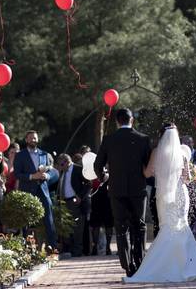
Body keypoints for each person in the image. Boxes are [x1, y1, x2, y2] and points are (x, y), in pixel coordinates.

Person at [124, 122, 196, 283]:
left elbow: (147, 174)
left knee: (167, 227)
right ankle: (184, 265)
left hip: (164, 196)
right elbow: (188, 179)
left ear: (161, 135)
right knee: (181, 227)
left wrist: (140, 165)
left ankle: (166, 265)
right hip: (181, 194)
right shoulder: (181, 154)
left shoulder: (156, 152)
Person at [94, 108, 152, 278]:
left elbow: (98, 165)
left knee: (121, 226)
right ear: (131, 120)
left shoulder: (109, 140)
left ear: (117, 122)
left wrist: (104, 177)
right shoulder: (143, 139)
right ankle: (139, 261)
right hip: (137, 190)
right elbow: (148, 166)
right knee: (139, 226)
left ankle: (127, 264)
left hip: (116, 190)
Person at [14, 130, 59, 247]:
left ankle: (52, 247)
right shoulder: (20, 155)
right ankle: (24, 248)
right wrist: (32, 176)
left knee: (49, 219)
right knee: (25, 221)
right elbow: (17, 174)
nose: (33, 140)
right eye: (31, 138)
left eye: (35, 138)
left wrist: (47, 176)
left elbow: (53, 171)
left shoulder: (44, 154)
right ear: (26, 140)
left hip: (43, 190)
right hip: (27, 191)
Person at [56, 153, 91, 257]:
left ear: (67, 161)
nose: (60, 167)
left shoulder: (78, 169)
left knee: (77, 227)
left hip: (75, 202)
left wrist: (80, 196)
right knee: (66, 227)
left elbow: (88, 184)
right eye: (59, 165)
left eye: (61, 164)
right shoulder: (63, 171)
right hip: (64, 202)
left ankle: (77, 251)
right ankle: (68, 250)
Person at [89, 177, 114, 255]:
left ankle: (105, 247)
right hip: (99, 198)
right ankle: (97, 247)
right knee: (97, 225)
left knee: (107, 225)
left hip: (106, 198)